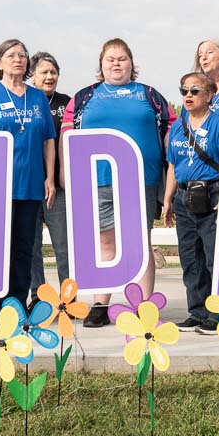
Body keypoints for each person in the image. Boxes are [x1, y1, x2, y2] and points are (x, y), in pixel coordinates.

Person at [61, 38, 173, 328]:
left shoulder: (148, 95)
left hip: (142, 179)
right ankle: (100, 303)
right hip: (98, 180)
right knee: (105, 241)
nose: (116, 63)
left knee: (140, 242)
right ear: (101, 64)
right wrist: (65, 170)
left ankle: (144, 304)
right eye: (110, 59)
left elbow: (171, 130)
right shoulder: (85, 97)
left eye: (122, 58)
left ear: (131, 64)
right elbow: (67, 134)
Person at [0, 39, 57, 308]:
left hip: (30, 185)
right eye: (11, 55)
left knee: (24, 247)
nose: (18, 59)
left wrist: (50, 177)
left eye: (22, 55)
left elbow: (49, 140)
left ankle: (15, 305)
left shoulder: (37, 97)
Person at [162, 73, 219, 333]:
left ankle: (218, 313)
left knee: (213, 257)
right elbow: (173, 164)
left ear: (210, 95)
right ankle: (196, 311)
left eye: (195, 90)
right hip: (184, 196)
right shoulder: (178, 125)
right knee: (190, 258)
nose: (188, 95)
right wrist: (168, 200)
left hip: (212, 194)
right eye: (184, 90)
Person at [30, 51, 72, 286]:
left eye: (53, 72)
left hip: (59, 189)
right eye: (44, 72)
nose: (49, 76)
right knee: (32, 247)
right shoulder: (26, 101)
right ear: (32, 76)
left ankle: (69, 297)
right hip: (29, 188)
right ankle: (38, 296)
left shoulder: (67, 103)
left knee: (64, 246)